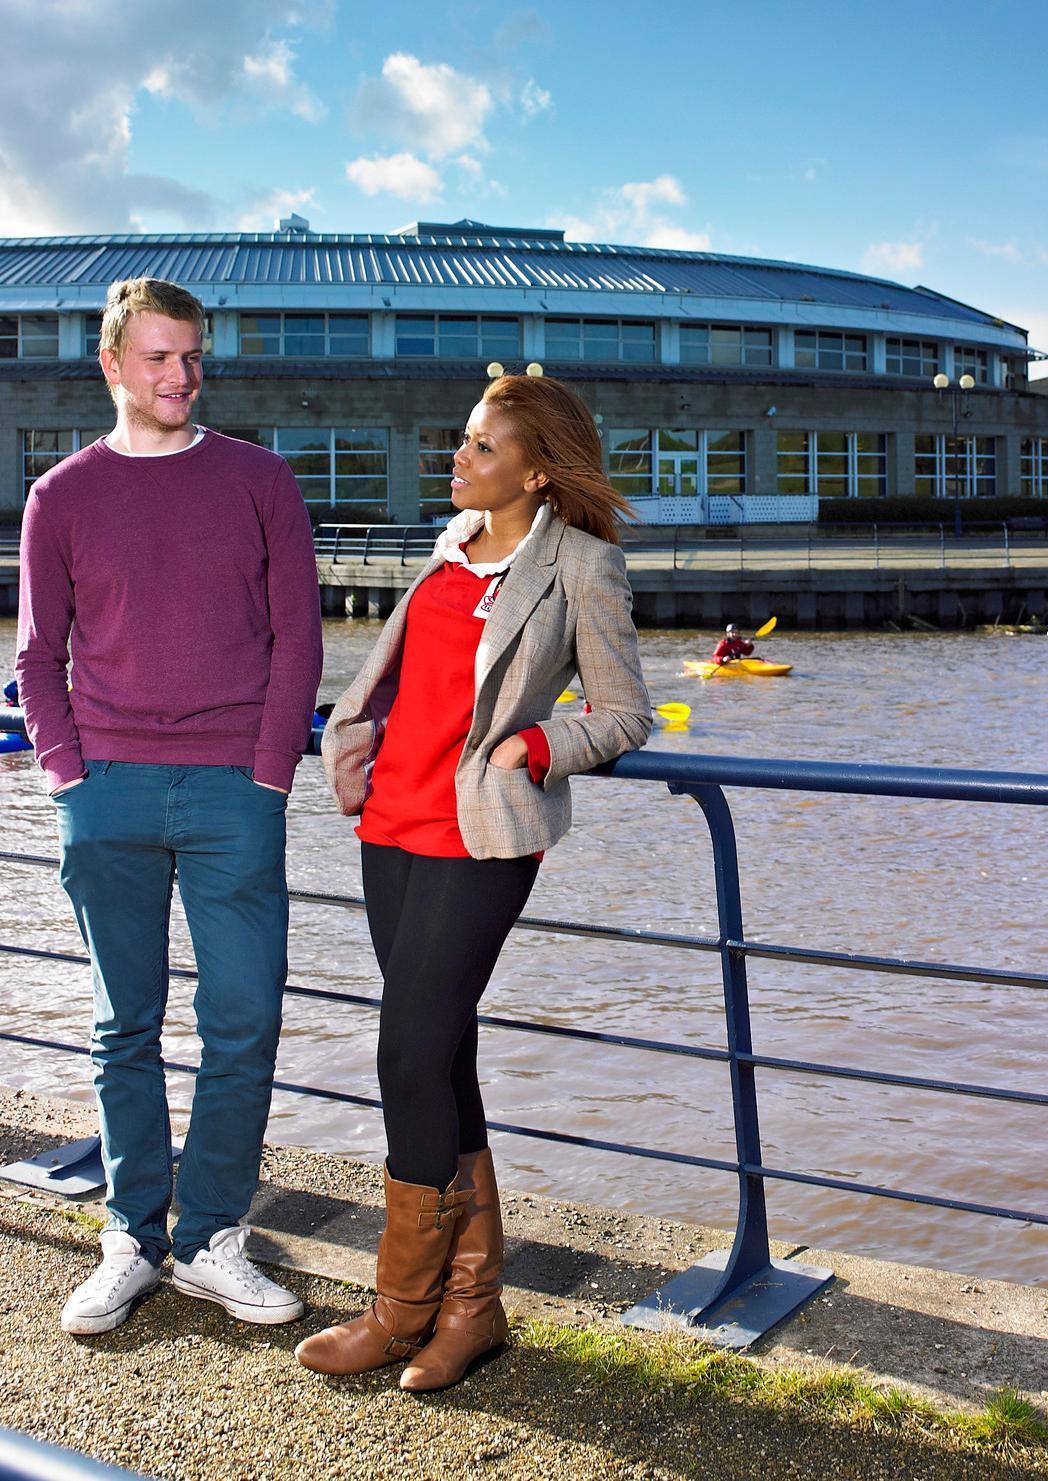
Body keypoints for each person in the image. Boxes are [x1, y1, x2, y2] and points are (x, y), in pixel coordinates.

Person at [305, 373, 651, 1391]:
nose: (457, 459)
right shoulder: (446, 551)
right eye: (461, 441)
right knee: (441, 1057)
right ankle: (470, 1307)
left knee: (404, 1050)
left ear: (535, 470)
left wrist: (536, 745)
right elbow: (408, 680)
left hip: (479, 836)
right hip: (389, 826)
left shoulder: (580, 567)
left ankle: (397, 1310)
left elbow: (625, 711)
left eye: (481, 449)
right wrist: (353, 740)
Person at [17, 276, 323, 1336]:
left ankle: (211, 1238)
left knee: (244, 1016)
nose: (178, 377)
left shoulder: (260, 480)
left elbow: (299, 640)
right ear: (110, 365)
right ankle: (131, 1234)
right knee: (123, 1022)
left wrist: (271, 770)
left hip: (235, 787)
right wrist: (66, 772)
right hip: (108, 792)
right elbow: (34, 652)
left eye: (191, 357)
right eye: (155, 358)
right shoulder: (60, 494)